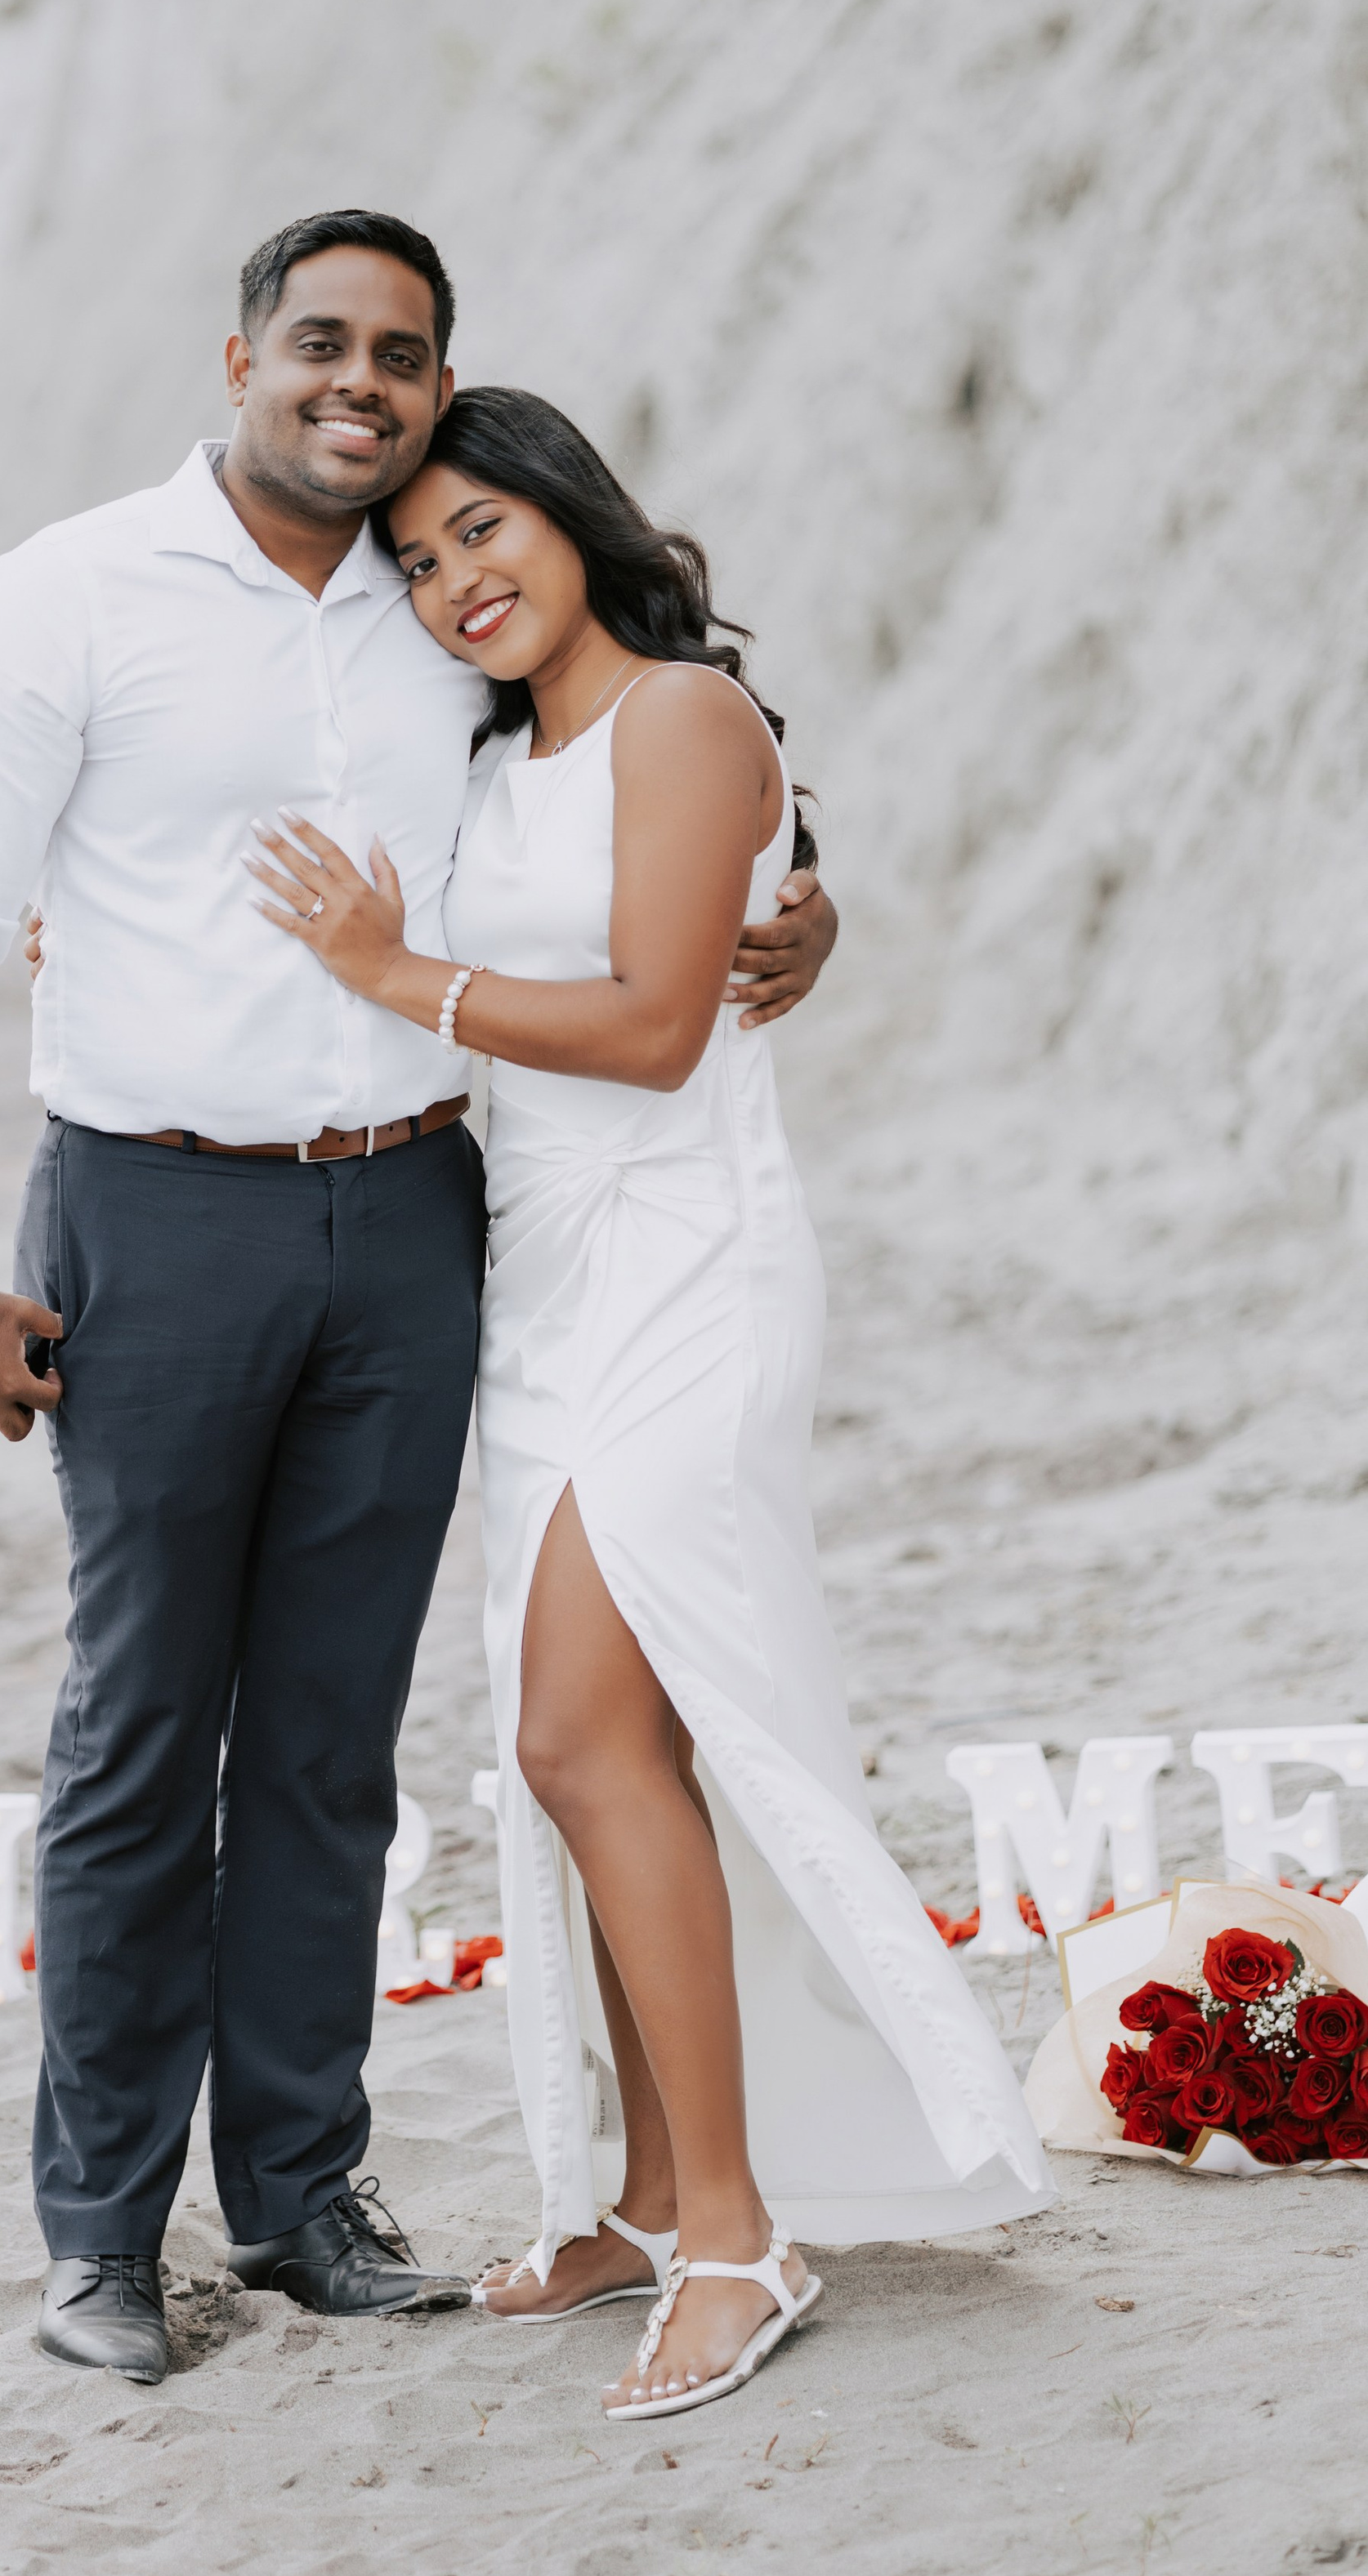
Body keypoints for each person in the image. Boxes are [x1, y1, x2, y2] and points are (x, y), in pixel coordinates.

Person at [0, 217, 838, 2389]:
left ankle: (300, 2196)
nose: (361, 381)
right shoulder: (64, 598)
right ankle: (106, 2233)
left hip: (418, 1221)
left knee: (330, 1746)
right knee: (138, 1737)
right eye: (324, 341)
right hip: (155, 1216)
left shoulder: (445, 614)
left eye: (404, 354)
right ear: (239, 355)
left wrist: (801, 905)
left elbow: (651, 763)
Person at [244, 386, 1050, 2426]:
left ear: (572, 514)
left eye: (482, 529)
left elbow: (652, 1022)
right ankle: (632, 2192)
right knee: (586, 1756)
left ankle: (738, 2235)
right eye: (417, 562)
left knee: (582, 1732)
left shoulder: (685, 717)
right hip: (542, 1280)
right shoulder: (501, 751)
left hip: (687, 1263)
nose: (454, 583)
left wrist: (386, 971)